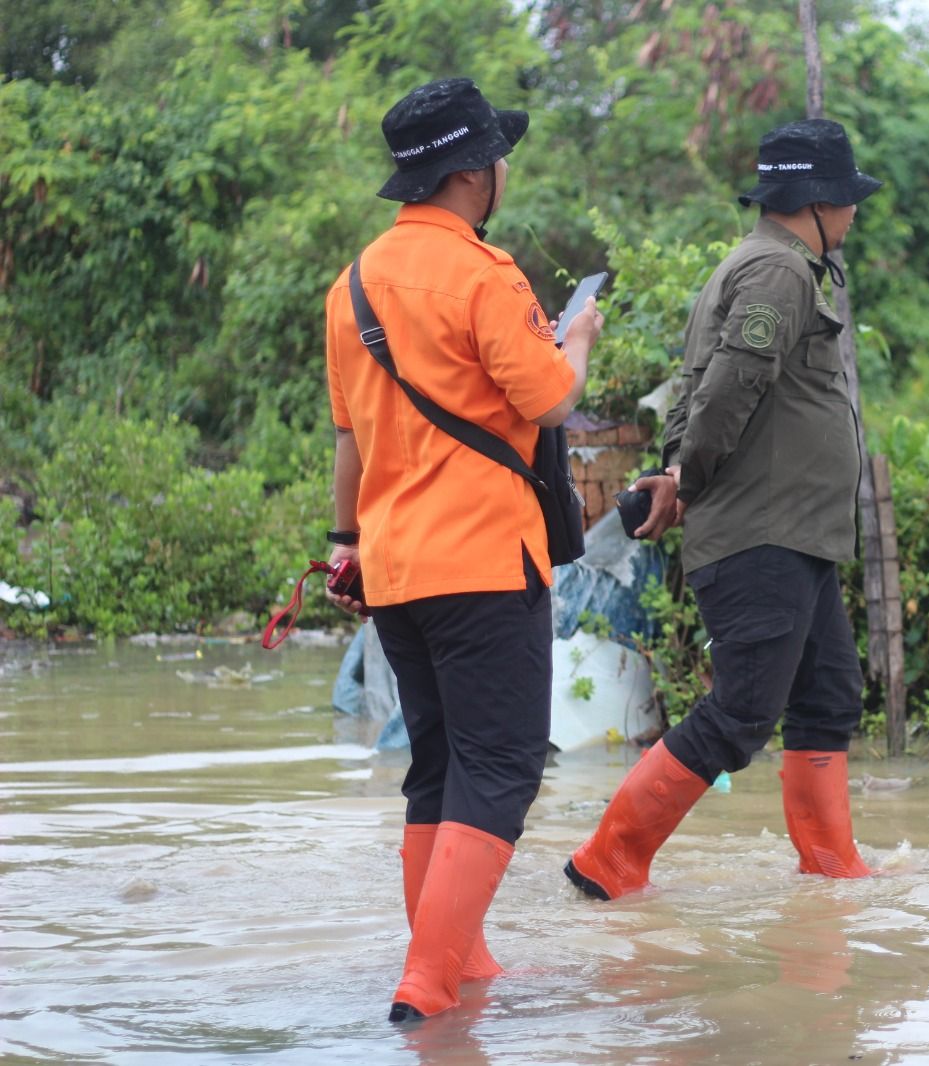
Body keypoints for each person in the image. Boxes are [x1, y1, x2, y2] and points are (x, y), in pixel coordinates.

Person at [321, 77, 602, 1021]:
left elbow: (350, 439)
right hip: (485, 562)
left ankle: (461, 958)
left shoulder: (351, 285)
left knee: (438, 767)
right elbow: (550, 398)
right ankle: (429, 981)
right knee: (505, 765)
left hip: (394, 568)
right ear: (477, 172)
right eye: (500, 158)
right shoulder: (487, 275)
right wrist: (582, 340)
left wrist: (340, 542)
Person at [564, 119, 881, 901]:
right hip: (762, 533)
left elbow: (698, 388)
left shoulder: (770, 266)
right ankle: (608, 860)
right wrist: (687, 480)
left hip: (798, 536)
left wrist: (678, 469)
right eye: (846, 200)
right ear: (815, 201)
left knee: (828, 696)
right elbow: (727, 389)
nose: (853, 215)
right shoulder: (779, 272)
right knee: (742, 711)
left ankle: (831, 872)